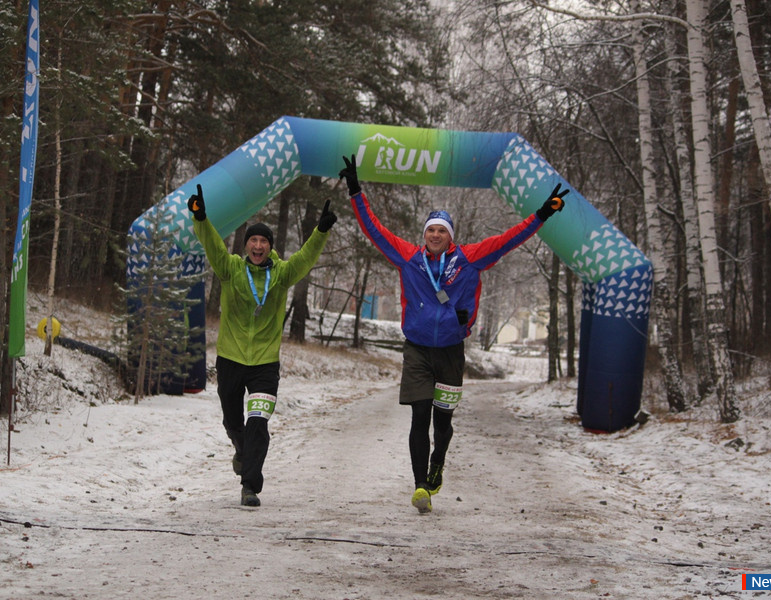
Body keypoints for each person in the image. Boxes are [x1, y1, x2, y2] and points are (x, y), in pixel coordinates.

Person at [339, 154, 567, 514]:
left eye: (441, 230)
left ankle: (437, 463)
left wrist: (542, 213)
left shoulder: (470, 258)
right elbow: (374, 229)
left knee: (442, 422)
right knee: (419, 417)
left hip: (450, 351)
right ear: (424, 234)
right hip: (416, 350)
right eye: (431, 229)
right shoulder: (408, 258)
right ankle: (419, 487)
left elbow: (510, 239)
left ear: (450, 236)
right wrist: (355, 191)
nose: (435, 235)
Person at [187, 184, 337, 507]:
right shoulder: (231, 270)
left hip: (265, 365)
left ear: (270, 247)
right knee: (233, 421)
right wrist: (200, 217)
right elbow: (212, 245)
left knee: (258, 422)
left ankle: (250, 485)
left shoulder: (282, 275)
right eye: (253, 240)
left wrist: (320, 231)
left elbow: (305, 258)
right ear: (246, 246)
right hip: (230, 358)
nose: (258, 245)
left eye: (264, 241)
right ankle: (241, 451)